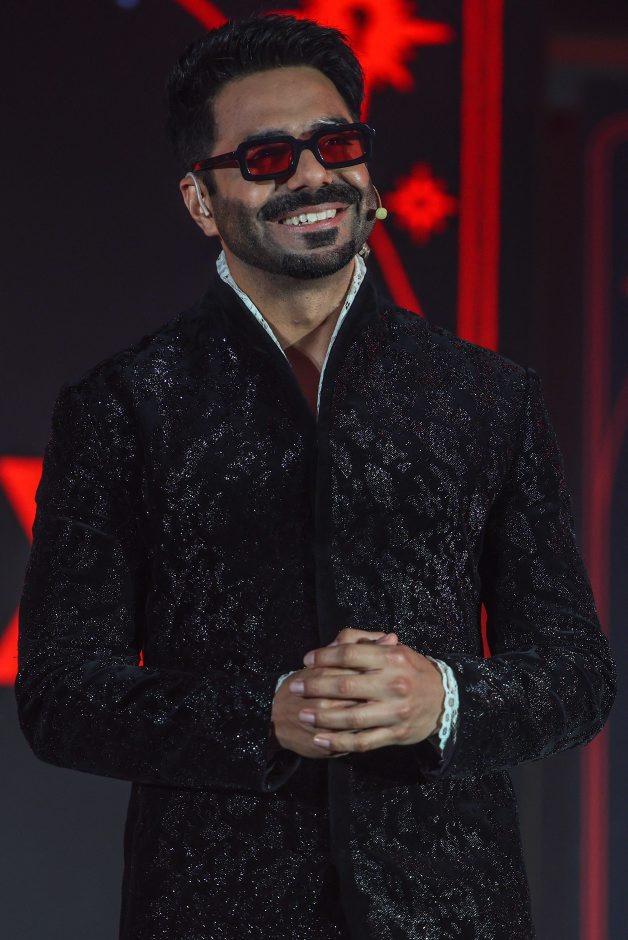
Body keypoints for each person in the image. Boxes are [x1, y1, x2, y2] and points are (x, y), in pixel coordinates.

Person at [15, 13, 616, 940]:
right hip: (212, 911)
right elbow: (59, 696)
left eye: (336, 144)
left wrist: (441, 699)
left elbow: (576, 676)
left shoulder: (488, 397)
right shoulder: (124, 408)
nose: (311, 177)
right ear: (201, 200)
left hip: (455, 911)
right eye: (266, 157)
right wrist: (264, 717)